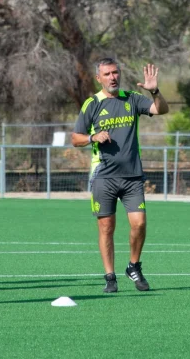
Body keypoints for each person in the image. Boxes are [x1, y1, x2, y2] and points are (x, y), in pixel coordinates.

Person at [71, 59, 169, 293]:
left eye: (115, 73)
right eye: (107, 74)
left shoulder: (132, 98)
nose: (113, 77)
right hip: (104, 176)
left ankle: (133, 266)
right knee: (107, 228)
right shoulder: (92, 104)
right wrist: (93, 138)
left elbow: (161, 109)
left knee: (140, 224)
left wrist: (155, 91)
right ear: (99, 78)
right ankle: (109, 276)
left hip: (132, 176)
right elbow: (76, 138)